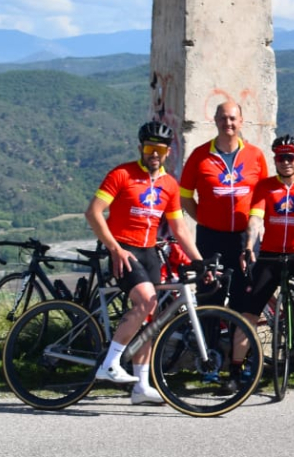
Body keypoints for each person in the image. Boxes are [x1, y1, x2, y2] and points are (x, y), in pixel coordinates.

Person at [87, 121, 204, 406]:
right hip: (123, 249)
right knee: (145, 302)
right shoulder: (122, 174)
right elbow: (93, 212)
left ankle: (141, 386)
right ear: (141, 148)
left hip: (150, 252)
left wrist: (199, 261)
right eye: (149, 148)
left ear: (167, 153)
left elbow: (179, 229)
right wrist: (114, 248)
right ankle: (110, 364)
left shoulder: (169, 184)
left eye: (160, 149)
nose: (154, 154)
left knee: (152, 319)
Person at [234, 135, 294, 386]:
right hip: (270, 254)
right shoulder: (265, 186)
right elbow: (255, 220)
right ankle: (234, 370)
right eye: (280, 157)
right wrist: (248, 246)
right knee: (248, 315)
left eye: (291, 157)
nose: (286, 162)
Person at [180, 100, 269, 308]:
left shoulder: (255, 155)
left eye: (232, 118)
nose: (227, 123)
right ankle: (208, 340)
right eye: (222, 118)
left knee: (244, 296)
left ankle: (236, 340)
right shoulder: (199, 155)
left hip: (243, 238)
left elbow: (262, 197)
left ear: (241, 122)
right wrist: (203, 218)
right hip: (210, 238)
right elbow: (185, 196)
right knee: (210, 295)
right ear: (215, 121)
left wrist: (257, 227)